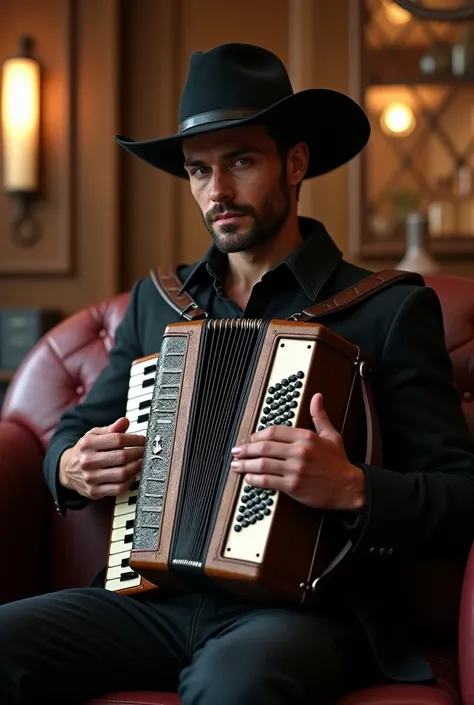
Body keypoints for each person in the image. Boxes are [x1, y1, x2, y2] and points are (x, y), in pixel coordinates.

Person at [1, 42, 474, 705]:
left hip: (301, 614)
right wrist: (72, 466)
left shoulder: (389, 310)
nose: (217, 191)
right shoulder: (159, 302)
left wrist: (352, 488)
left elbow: (460, 495)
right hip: (152, 602)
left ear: (295, 163)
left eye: (241, 162)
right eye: (198, 171)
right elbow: (74, 431)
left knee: (238, 682)